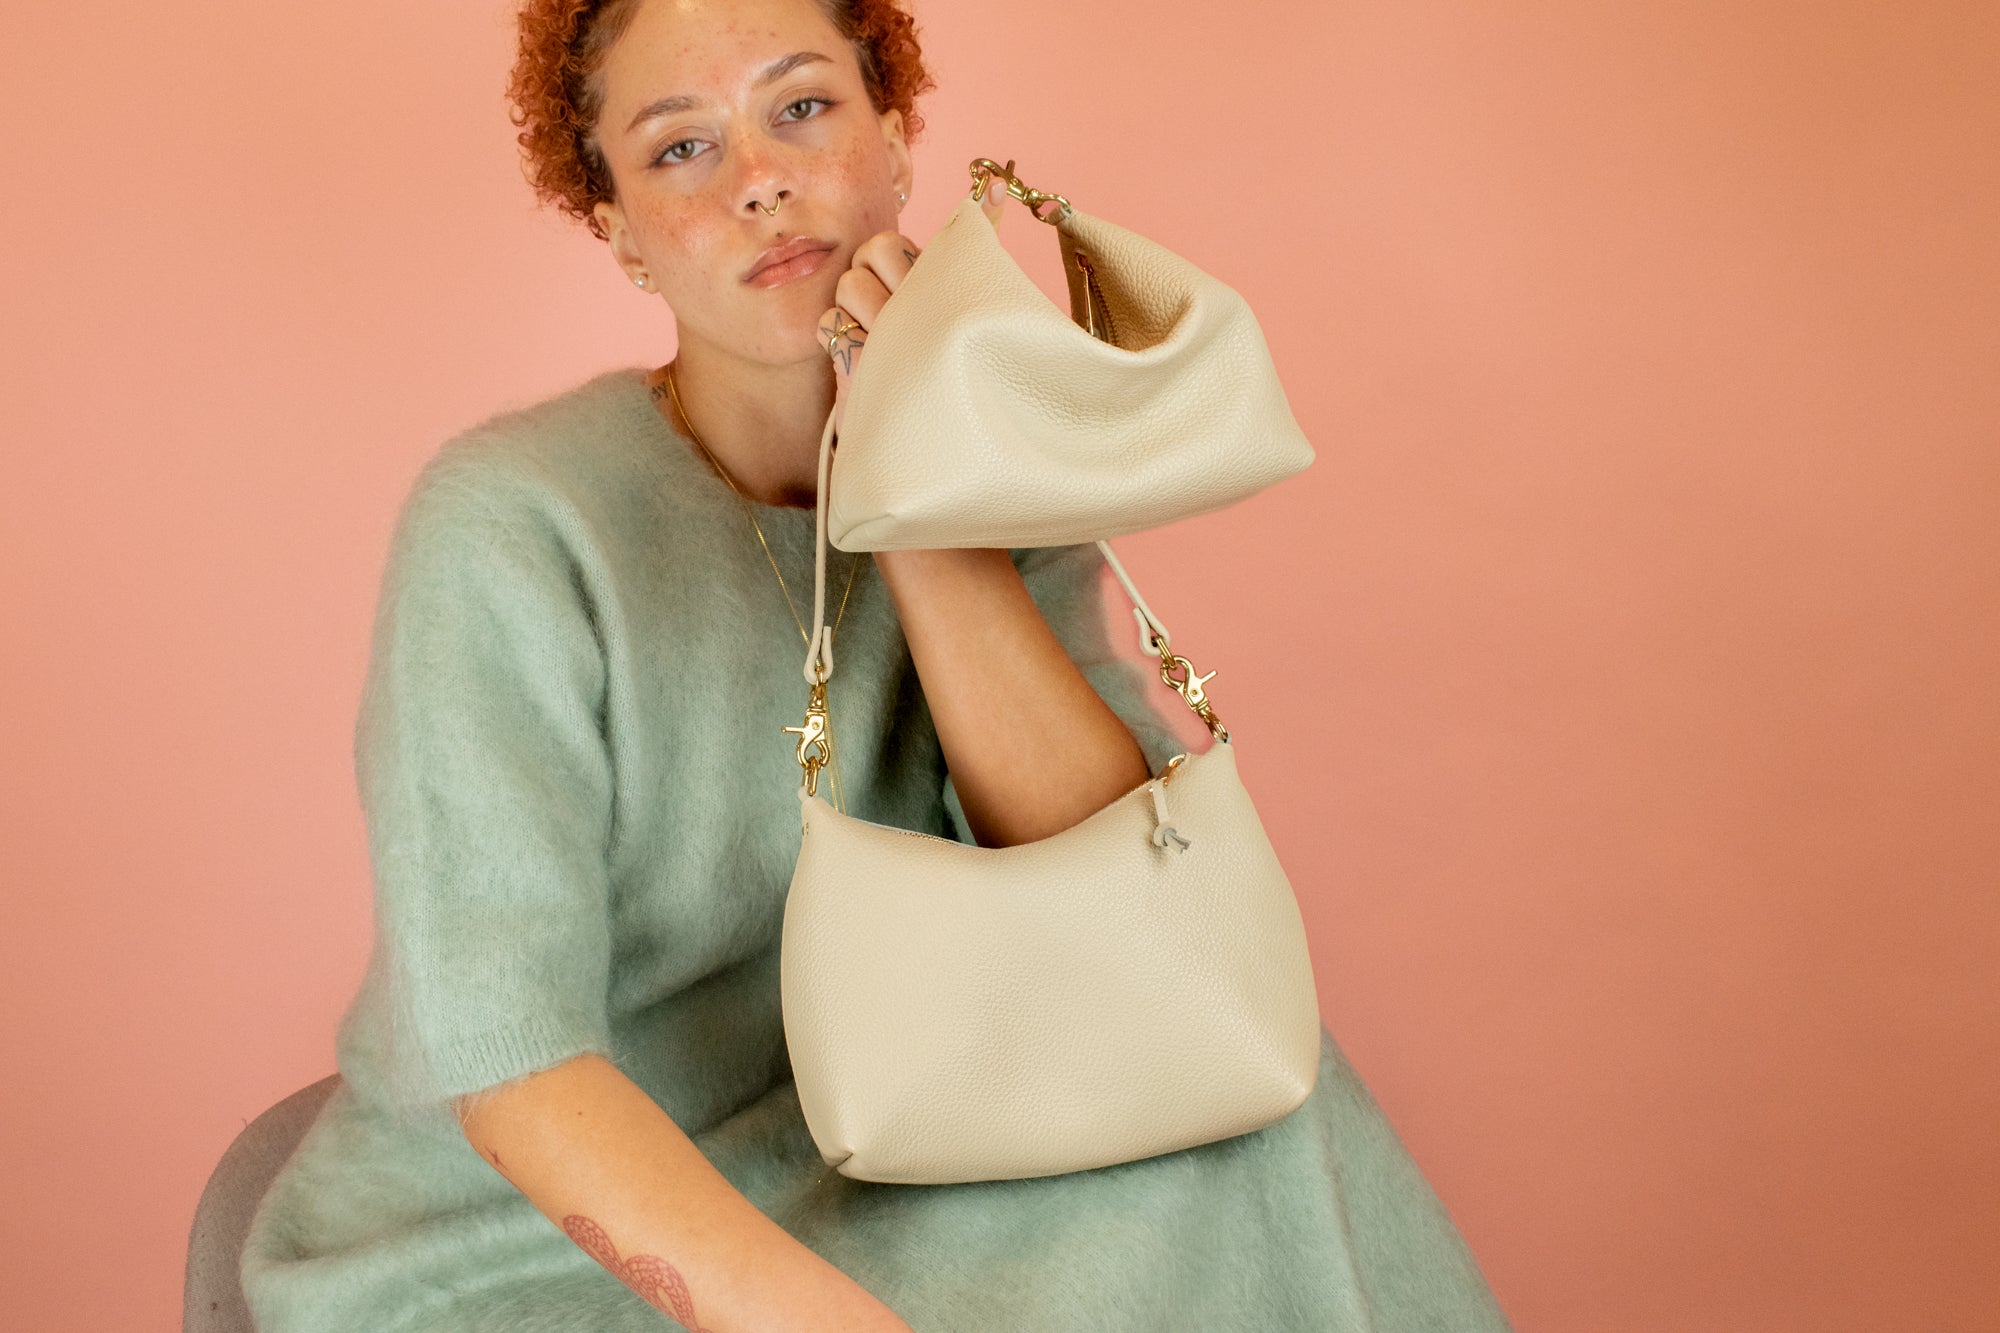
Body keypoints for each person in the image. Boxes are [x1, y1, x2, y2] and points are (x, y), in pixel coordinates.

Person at [238, 0, 1516, 1328]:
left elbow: (1096, 856)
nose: (760, 181)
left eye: (802, 108)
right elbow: (508, 1067)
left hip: (883, 1132)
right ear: (615, 230)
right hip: (525, 1230)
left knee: (1260, 1121)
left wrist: (914, 489)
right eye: (681, 148)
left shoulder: (989, 462)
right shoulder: (511, 525)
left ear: (896, 140)